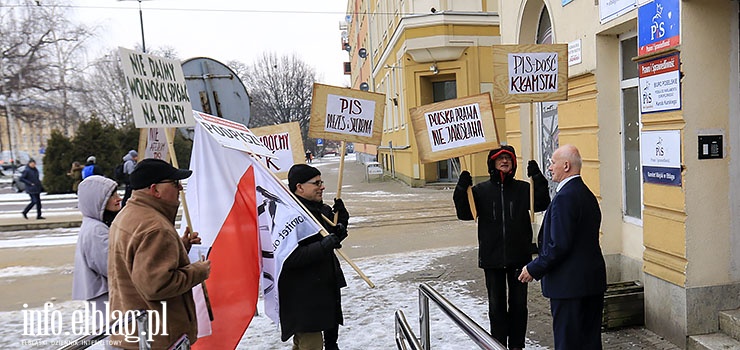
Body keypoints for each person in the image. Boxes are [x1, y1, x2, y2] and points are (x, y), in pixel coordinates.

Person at [453, 145, 550, 350]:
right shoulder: (480, 191)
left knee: (518, 307)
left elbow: (542, 202)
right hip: (492, 258)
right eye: (500, 158)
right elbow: (464, 213)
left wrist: (537, 177)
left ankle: (517, 346)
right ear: (492, 163)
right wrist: (462, 188)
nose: (504, 161)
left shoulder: (525, 189)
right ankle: (497, 345)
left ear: (514, 163)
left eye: (508, 158)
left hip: (519, 258)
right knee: (496, 307)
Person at [107, 158, 211, 349]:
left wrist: (179, 248)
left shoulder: (127, 215)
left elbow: (137, 265)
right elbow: (157, 286)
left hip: (130, 331)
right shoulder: (155, 227)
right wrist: (198, 271)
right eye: (174, 183)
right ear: (155, 190)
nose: (180, 188)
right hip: (156, 337)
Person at [518, 144, 606, 350]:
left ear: (566, 166)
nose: (550, 168)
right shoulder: (586, 194)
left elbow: (559, 245)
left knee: (568, 343)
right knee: (590, 342)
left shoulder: (565, 198)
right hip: (590, 282)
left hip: (569, 286)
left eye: (552, 163)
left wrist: (533, 268)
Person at [281, 164, 349, 350]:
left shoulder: (320, 209)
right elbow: (289, 258)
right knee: (310, 345)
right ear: (299, 187)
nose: (322, 187)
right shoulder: (290, 215)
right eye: (316, 183)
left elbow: (332, 238)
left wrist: (342, 221)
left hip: (324, 291)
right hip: (304, 297)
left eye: (322, 182)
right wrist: (323, 246)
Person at [72, 175, 122, 312]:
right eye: (112, 196)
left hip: (103, 295)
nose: (119, 198)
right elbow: (112, 267)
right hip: (105, 296)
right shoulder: (96, 230)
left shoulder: (94, 225)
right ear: (97, 200)